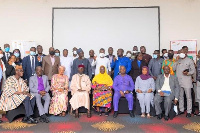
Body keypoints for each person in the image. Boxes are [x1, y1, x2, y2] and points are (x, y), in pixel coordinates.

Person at [173, 49, 195, 117]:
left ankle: (189, 111)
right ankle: (181, 110)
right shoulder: (178, 61)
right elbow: (173, 69)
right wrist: (176, 61)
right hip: (179, 81)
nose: (180, 54)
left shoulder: (189, 60)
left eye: (182, 53)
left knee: (188, 97)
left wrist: (188, 73)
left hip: (187, 81)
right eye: (179, 53)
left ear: (185, 53)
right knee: (180, 96)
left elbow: (193, 71)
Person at [196, 50, 200, 116]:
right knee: (199, 97)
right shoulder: (198, 61)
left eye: (199, 53)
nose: (197, 54)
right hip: (198, 80)